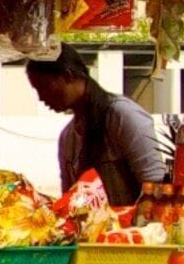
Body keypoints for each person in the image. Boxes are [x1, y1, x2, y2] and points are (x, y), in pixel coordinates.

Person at [26, 52, 168, 207]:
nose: (41, 97)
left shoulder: (122, 115)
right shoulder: (67, 138)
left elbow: (155, 185)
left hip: (133, 229)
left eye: (44, 86)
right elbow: (68, 202)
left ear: (67, 76)